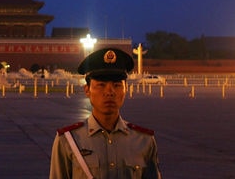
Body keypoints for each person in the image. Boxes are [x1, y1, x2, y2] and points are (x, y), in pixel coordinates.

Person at [50, 47, 161, 179]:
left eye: (117, 85)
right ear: (87, 90)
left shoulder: (144, 141)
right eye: (101, 85)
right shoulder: (68, 141)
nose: (110, 92)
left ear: (126, 90)